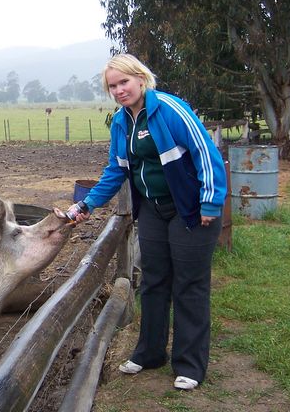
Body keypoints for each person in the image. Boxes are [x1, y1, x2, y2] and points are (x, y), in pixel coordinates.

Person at [68, 53, 227, 390]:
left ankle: (190, 365)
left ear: (141, 78)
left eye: (123, 82)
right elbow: (116, 170)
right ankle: (150, 352)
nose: (118, 90)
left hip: (191, 209)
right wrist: (86, 205)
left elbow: (206, 155)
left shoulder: (170, 110)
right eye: (112, 86)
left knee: (189, 284)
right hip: (154, 210)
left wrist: (211, 202)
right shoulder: (122, 123)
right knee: (153, 281)